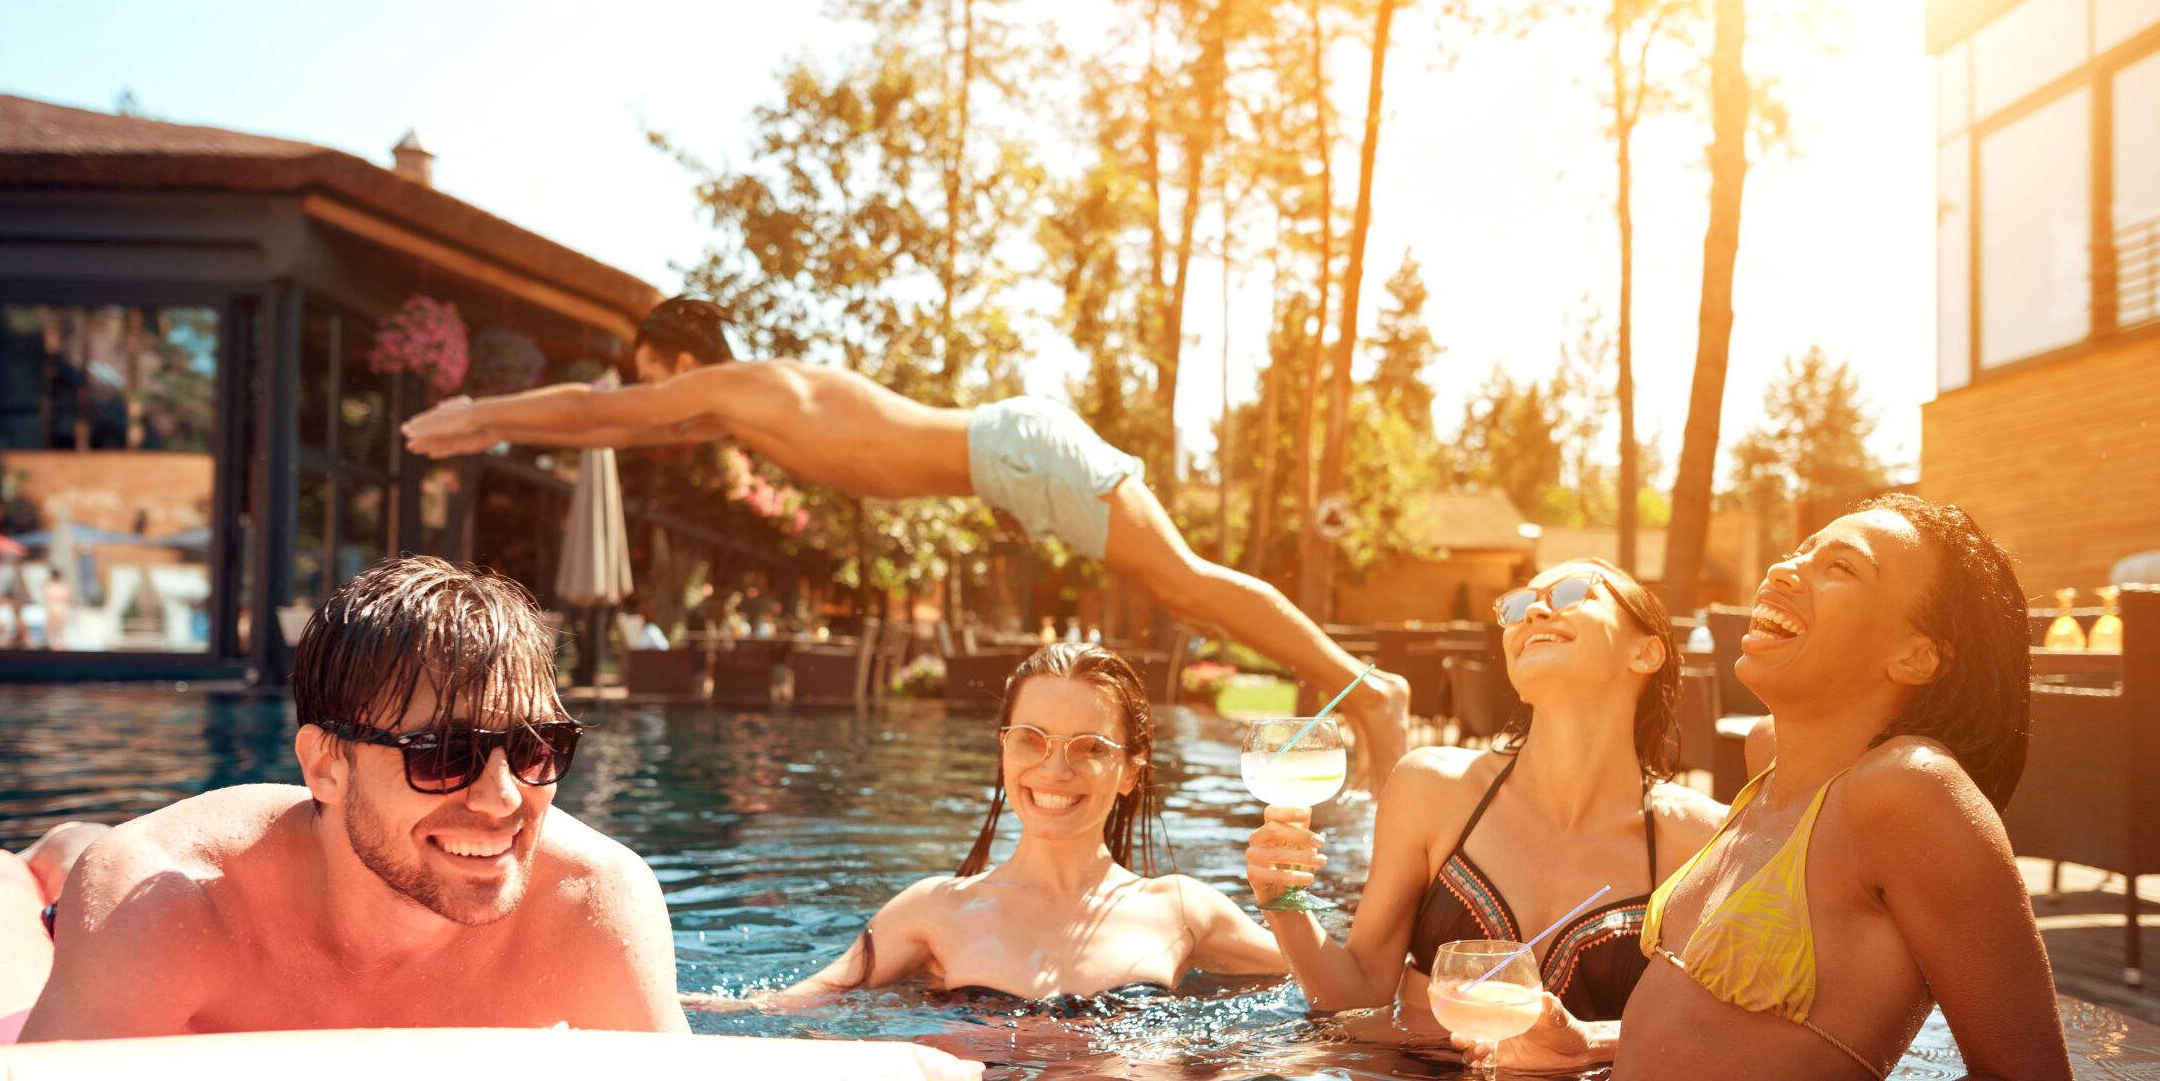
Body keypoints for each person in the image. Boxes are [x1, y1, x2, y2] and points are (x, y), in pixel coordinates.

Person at [1078, 495, 2072, 1081]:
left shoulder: (1907, 790)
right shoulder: (1767, 797)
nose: (1789, 565)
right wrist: (1579, 1041)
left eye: (1840, 565)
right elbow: (1724, 1026)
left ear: (1916, 650)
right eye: (1800, 548)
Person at [401, 300, 1412, 787]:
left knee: (1188, 584)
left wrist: (483, 412)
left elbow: (597, 410)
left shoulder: (734, 383)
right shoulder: (745, 404)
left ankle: (1368, 692)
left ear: (677, 359)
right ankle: (1360, 691)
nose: (654, 395)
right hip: (1014, 457)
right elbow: (626, 419)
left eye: (653, 371)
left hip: (1017, 453)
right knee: (1185, 587)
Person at [0, 556, 688, 1051]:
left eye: (538, 748)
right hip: (146, 882)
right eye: (443, 755)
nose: (505, 796)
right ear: (325, 763)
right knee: (84, 856)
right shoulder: (163, 906)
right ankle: (49, 848)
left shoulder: (596, 907)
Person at [1246, 559, 1724, 1032]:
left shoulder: (1699, 840)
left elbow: (1710, 1039)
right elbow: (1357, 998)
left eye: (1572, 592)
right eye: (1518, 606)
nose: (1533, 613)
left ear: (1645, 653)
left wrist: (1590, 1046)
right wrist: (1282, 902)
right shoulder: (1432, 789)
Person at [758, 644, 1287, 1003]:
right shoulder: (936, 909)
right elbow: (787, 1010)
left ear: (1130, 772)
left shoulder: (1181, 909)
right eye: (1030, 738)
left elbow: (1335, 983)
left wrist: (1284, 895)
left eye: (1090, 747)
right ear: (1003, 750)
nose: (1055, 770)